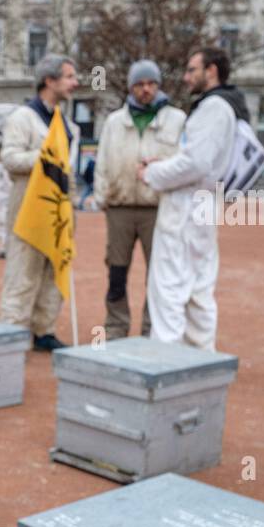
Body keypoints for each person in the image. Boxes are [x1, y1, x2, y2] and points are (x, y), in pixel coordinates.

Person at [138, 47, 246, 351]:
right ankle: (200, 356)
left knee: (169, 287)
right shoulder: (227, 106)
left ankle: (165, 359)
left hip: (186, 205)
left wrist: (152, 173)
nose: (186, 77)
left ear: (211, 70)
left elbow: (194, 164)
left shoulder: (213, 107)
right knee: (198, 288)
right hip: (203, 203)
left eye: (191, 70)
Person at [93, 59, 186, 340]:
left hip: (158, 207)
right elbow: (102, 160)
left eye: (150, 83)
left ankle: (152, 327)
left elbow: (184, 161)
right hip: (119, 206)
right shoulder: (114, 122)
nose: (145, 89)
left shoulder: (177, 120)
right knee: (117, 271)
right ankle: (116, 325)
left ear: (158, 85)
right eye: (139, 84)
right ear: (131, 87)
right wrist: (101, 195)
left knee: (158, 274)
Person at [0, 53, 81, 350]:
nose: (75, 83)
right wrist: (45, 156)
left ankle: (43, 329)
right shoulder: (22, 118)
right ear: (50, 81)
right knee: (23, 274)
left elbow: (68, 169)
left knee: (53, 272)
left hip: (59, 210)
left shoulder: (67, 123)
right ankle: (12, 332)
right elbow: (10, 159)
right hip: (28, 210)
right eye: (70, 77)